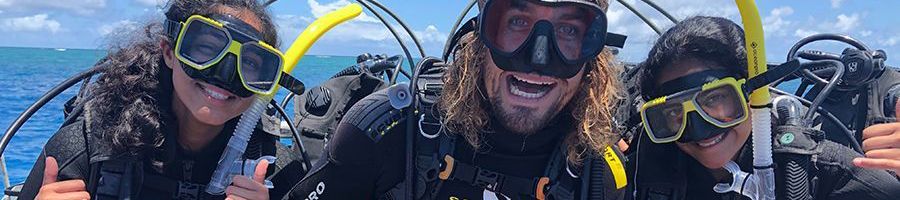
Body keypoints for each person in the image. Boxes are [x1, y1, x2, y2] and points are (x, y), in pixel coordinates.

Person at [283, 0, 630, 199]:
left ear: (594, 52)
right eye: (518, 22)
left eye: (569, 30)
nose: (538, 59)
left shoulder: (599, 173)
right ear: (481, 34)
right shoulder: (386, 130)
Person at [17, 0, 304, 199]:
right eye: (206, 49)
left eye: (251, 64)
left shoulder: (274, 169)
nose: (225, 74)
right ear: (169, 51)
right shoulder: (90, 146)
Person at [627, 16, 900, 200]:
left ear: (753, 92)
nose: (698, 128)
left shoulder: (826, 172)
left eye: (713, 99)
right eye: (674, 112)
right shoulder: (644, 166)